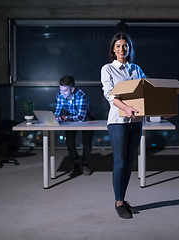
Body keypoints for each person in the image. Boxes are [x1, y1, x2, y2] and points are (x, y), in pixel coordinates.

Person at [101, 32, 146, 219]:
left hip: (135, 122)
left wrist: (161, 110)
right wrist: (126, 108)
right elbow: (110, 95)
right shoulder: (108, 69)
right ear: (113, 49)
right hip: (118, 122)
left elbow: (147, 92)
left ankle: (123, 199)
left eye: (125, 46)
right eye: (118, 46)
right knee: (120, 163)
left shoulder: (136, 69)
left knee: (128, 164)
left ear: (129, 48)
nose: (122, 49)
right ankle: (119, 203)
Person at [54, 75, 95, 177]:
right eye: (61, 90)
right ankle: (76, 164)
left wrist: (65, 118)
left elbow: (81, 117)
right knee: (70, 142)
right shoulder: (60, 96)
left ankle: (85, 164)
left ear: (72, 89)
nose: (62, 93)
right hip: (70, 119)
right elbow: (57, 112)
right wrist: (57, 118)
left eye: (65, 91)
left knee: (86, 143)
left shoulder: (81, 96)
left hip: (87, 120)